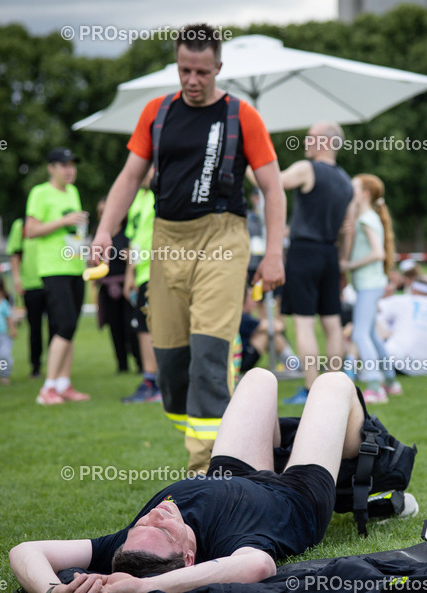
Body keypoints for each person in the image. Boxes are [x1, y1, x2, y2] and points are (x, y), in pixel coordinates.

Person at [91, 24, 286, 473]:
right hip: (166, 240)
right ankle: (250, 440)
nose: (192, 80)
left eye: (201, 72)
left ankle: (211, 468)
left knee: (209, 355)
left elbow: (274, 190)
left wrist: (273, 254)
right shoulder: (156, 114)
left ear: (218, 67)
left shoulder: (242, 116)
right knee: (172, 364)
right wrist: (104, 233)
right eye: (184, 70)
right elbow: (128, 178)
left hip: (223, 236)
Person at [9, 369, 363, 593]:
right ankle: (364, 455)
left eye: (141, 524)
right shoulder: (228, 548)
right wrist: (147, 589)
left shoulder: (128, 551)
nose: (155, 514)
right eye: (162, 529)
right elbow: (259, 566)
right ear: (189, 556)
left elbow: (26, 549)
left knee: (259, 378)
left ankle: (288, 442)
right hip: (296, 495)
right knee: (332, 382)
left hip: (229, 474)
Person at [280, 122, 354, 405]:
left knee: (304, 324)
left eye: (310, 138)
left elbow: (275, 182)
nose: (305, 142)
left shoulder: (306, 169)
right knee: (332, 323)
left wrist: (247, 161)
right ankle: (333, 387)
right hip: (330, 254)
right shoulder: (347, 181)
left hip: (304, 252)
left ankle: (311, 388)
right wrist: (343, 262)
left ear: (326, 141)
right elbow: (348, 227)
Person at [25, 147, 91, 405]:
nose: (70, 169)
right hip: (53, 268)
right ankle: (48, 387)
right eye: (64, 165)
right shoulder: (40, 193)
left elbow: (75, 233)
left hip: (75, 266)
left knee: (71, 326)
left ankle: (64, 384)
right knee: (64, 325)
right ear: (51, 167)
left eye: (72, 164)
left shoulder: (73, 192)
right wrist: (63, 222)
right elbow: (31, 230)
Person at [340, 173, 400, 403]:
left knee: (360, 333)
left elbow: (378, 253)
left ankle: (375, 386)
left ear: (365, 194)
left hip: (368, 285)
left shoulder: (366, 219)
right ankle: (391, 381)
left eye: (353, 188)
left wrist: (348, 265)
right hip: (370, 284)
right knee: (372, 334)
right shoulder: (366, 217)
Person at [121, 171, 162, 404]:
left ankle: (158, 383)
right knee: (143, 328)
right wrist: (130, 274)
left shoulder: (162, 196)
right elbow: (134, 241)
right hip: (142, 273)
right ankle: (150, 381)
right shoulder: (137, 198)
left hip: (158, 271)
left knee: (153, 329)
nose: (147, 173)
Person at [94, 197, 143, 375]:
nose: (103, 216)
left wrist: (128, 258)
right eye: (100, 213)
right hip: (107, 288)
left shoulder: (128, 232)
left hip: (126, 286)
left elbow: (136, 254)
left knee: (132, 326)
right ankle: (122, 364)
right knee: (114, 327)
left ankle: (140, 363)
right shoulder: (99, 236)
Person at [7, 217, 56, 379]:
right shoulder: (20, 224)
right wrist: (17, 279)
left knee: (55, 327)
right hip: (31, 284)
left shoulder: (53, 220)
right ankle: (35, 366)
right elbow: (14, 252)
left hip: (52, 281)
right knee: (35, 329)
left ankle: (54, 366)